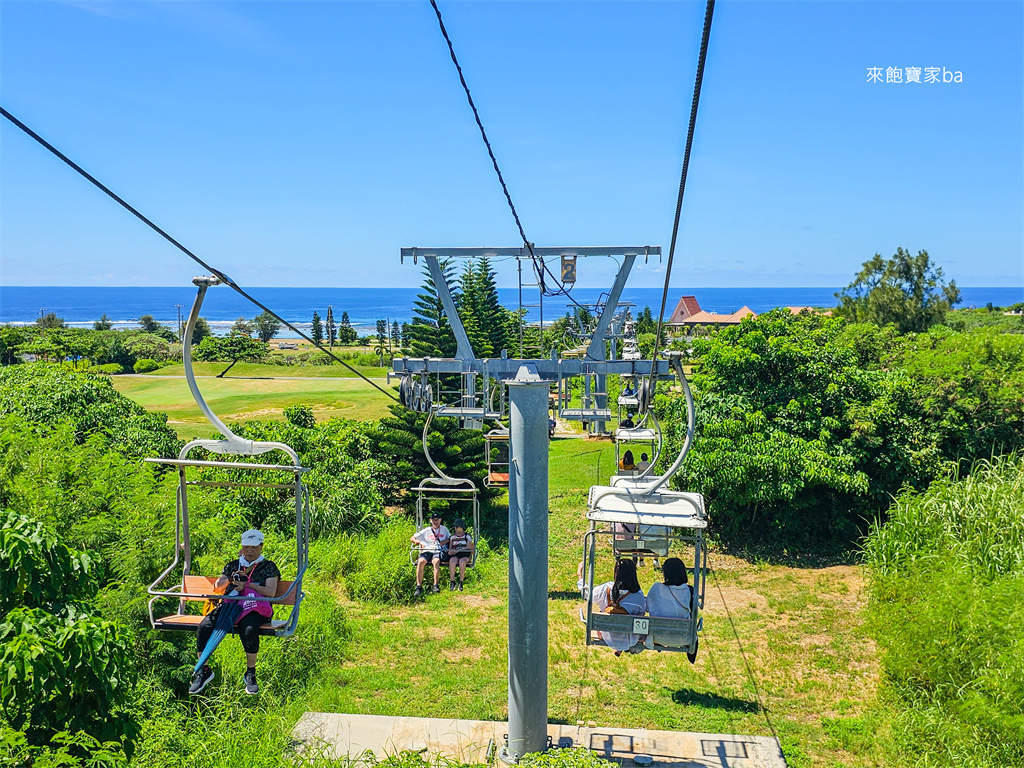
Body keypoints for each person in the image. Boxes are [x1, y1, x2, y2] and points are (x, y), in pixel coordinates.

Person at [190, 529, 280, 696]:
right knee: (205, 626)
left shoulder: (268, 567)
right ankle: (204, 669)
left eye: (253, 547)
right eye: (246, 547)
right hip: (231, 605)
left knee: (249, 629)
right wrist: (231, 579)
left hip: (254, 606)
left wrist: (248, 585)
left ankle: (251, 672)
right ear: (242, 547)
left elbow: (271, 592)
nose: (250, 551)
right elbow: (217, 587)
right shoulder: (233, 565)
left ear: (261, 547)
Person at [577, 558, 646, 655]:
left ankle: (619, 646)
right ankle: (621, 646)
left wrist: (580, 574)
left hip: (608, 636)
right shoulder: (638, 596)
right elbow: (641, 614)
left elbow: (587, 595)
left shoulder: (606, 589)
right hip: (630, 639)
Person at [644, 557, 695, 659]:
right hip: (683, 637)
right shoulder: (689, 590)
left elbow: (648, 608)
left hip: (657, 636)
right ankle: (692, 654)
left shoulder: (656, 588)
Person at [411, 512, 450, 597]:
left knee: (436, 561)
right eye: (434, 520)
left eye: (437, 520)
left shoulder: (444, 529)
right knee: (421, 561)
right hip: (427, 550)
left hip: (438, 550)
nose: (435, 522)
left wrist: (445, 541)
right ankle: (418, 586)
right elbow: (413, 537)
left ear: (440, 520)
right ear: (431, 521)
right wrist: (416, 541)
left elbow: (450, 538)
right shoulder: (427, 530)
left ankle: (435, 585)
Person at [447, 518, 475, 591]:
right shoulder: (452, 537)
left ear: (461, 527)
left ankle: (461, 581)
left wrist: (458, 550)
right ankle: (452, 581)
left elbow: (468, 547)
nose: (455, 528)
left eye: (456, 527)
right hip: (455, 554)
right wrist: (450, 551)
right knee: (452, 561)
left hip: (464, 554)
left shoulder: (467, 536)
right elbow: (450, 547)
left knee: (462, 562)